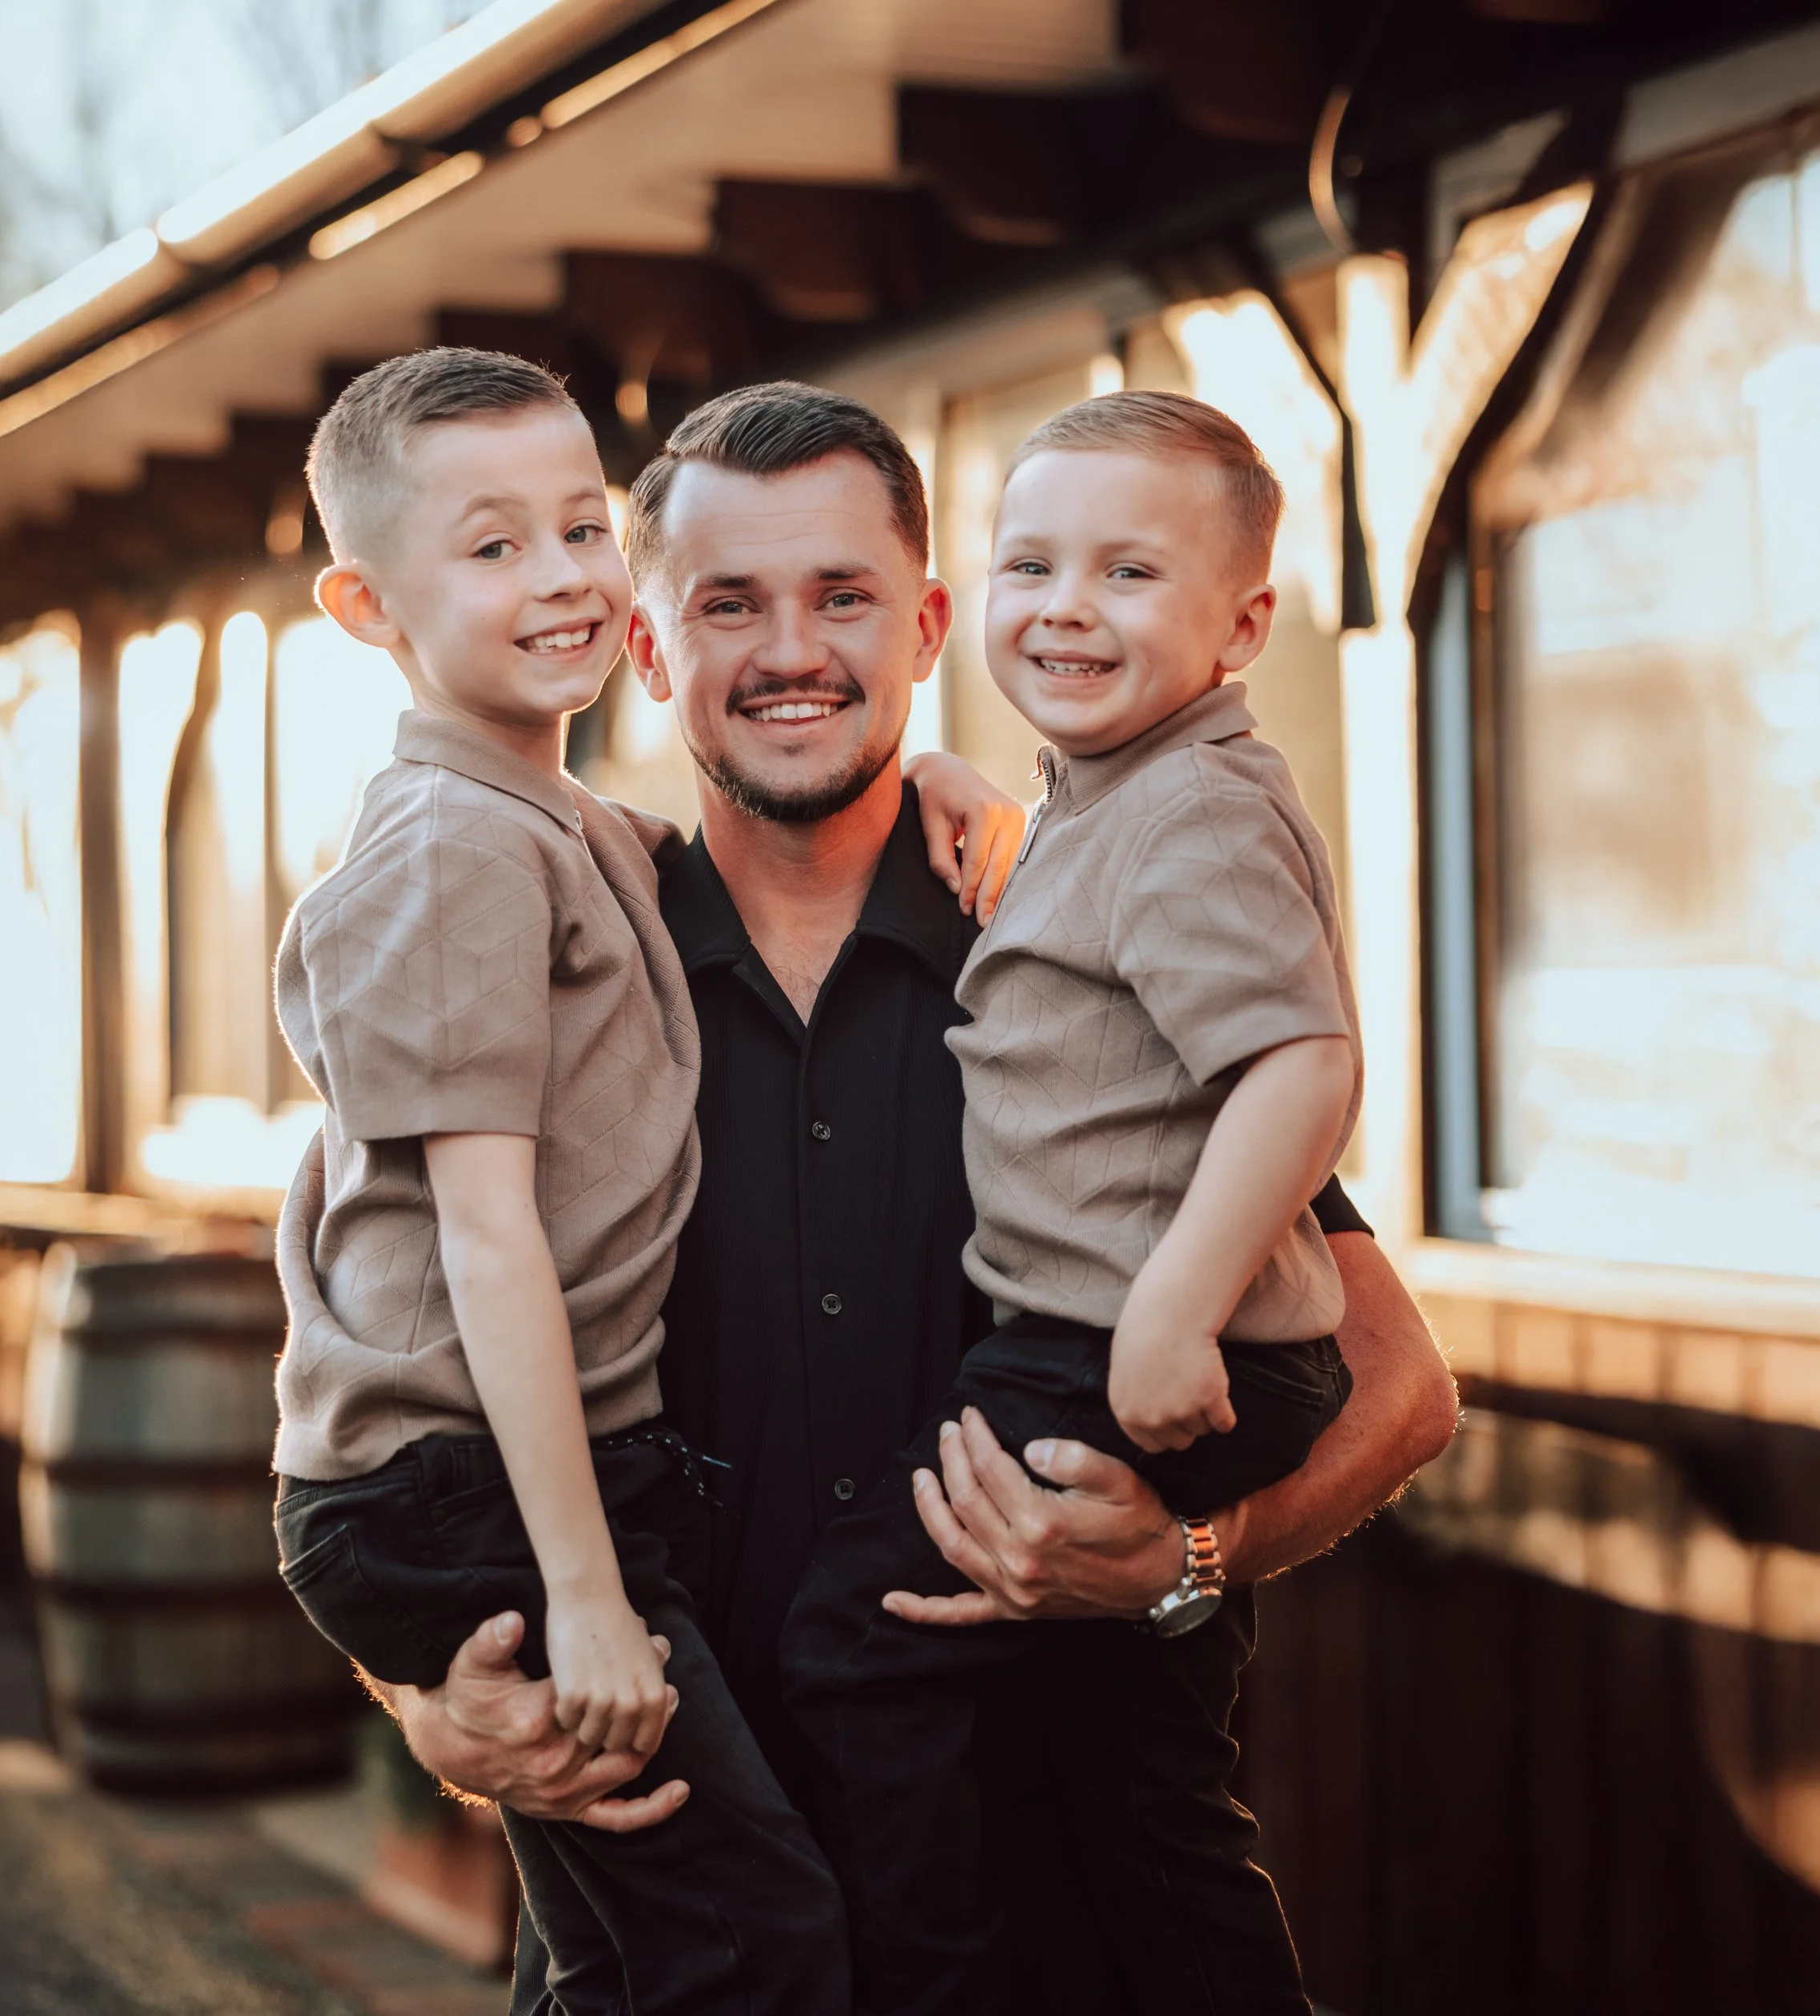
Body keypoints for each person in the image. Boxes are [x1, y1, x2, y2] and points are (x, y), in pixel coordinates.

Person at [364, 380, 1460, 2012]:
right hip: (685, 1946)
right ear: (651, 654)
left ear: (928, 623)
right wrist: (423, 1701)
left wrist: (1184, 1558)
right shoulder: (549, 969)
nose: (790, 650)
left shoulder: (1065, 952)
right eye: (728, 603)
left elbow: (1399, 1386)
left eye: (844, 597)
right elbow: (377, 1405)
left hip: (1077, 1929)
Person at [266, 350, 1010, 2014]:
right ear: (363, 603)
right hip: (502, 1513)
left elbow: (1377, 1377)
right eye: (488, 548)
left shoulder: (583, 845)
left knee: (656, 1965)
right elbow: (458, 1251)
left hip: (1007, 1845)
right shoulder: (465, 854)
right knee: (745, 1956)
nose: (554, 581)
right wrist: (516, 1646)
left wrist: (953, 786)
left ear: (922, 626)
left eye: (573, 531)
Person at [780, 388, 1358, 2014]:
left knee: (855, 1647)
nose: (1063, 609)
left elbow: (1301, 1067)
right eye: (1030, 565)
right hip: (1124, 1333)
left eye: (1126, 574)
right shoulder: (1104, 802)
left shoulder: (1190, 810)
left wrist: (1171, 1311)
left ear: (1241, 623)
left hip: (1123, 1342)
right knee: (1135, 1787)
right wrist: (944, 771)